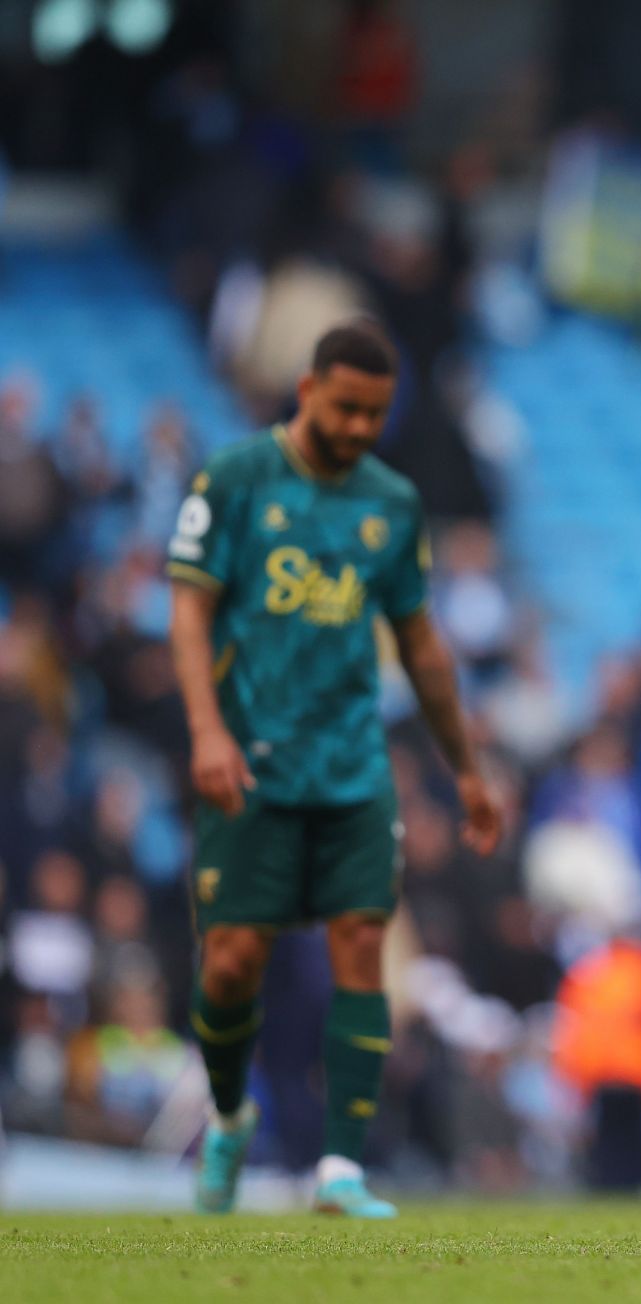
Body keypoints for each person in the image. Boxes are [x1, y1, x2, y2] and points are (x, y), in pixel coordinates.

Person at [167, 320, 500, 1217]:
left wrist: (464, 768)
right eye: (346, 408)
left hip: (352, 767)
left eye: (376, 414)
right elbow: (190, 613)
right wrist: (204, 730)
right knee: (232, 962)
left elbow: (421, 646)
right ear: (308, 391)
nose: (359, 428)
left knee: (362, 949)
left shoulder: (390, 502)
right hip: (251, 764)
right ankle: (231, 1113)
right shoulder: (234, 480)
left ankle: (340, 1170)